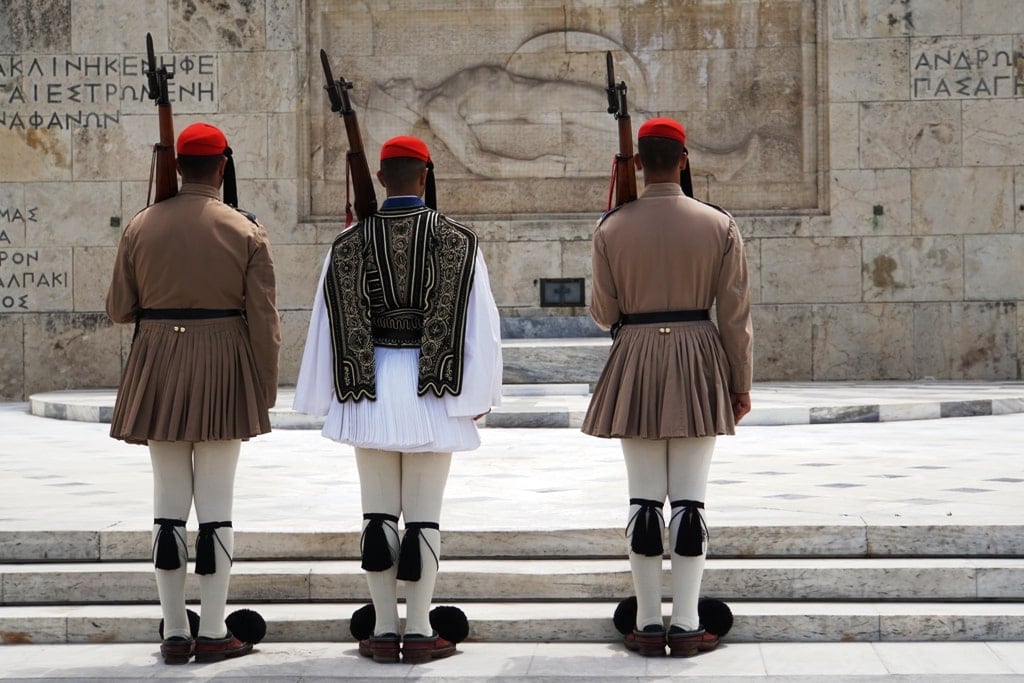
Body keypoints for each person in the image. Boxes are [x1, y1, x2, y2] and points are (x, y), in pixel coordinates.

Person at [293, 135, 503, 664]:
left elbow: (326, 326)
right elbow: (481, 329)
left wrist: (328, 394)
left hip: (368, 386)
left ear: (382, 179)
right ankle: (420, 627)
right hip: (434, 387)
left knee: (379, 515)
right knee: (424, 518)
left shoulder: (346, 244)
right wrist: (479, 396)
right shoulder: (460, 241)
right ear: (426, 175)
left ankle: (384, 630)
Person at [106, 122, 280, 664]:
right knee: (217, 508)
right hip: (224, 362)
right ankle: (212, 630)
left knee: (167, 506)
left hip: (158, 361)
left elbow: (118, 310)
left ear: (177, 167)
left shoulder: (140, 226)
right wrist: (264, 387)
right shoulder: (245, 230)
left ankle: (175, 632)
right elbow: (265, 323)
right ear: (222, 167)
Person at [581, 117, 752, 658]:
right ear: (683, 160)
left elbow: (603, 313)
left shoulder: (610, 227)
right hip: (700, 356)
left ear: (636, 164)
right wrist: (739, 383)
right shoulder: (719, 225)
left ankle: (647, 623)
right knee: (690, 505)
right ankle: (688, 622)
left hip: (635, 357)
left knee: (644, 503)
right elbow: (735, 317)